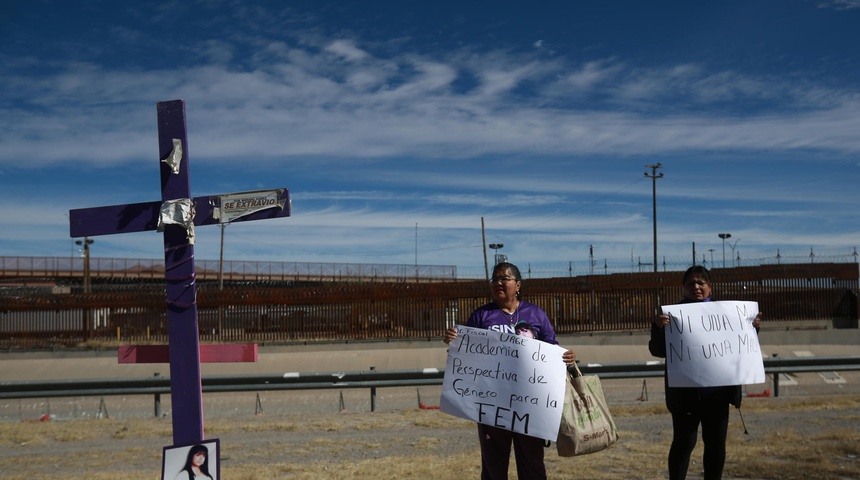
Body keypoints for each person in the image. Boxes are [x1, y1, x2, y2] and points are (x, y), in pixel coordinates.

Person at [444, 262, 576, 480]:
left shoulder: (535, 314)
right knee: (493, 466)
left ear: (517, 285)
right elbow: (467, 353)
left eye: (504, 278)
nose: (498, 283)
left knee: (532, 465)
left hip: (529, 407)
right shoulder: (481, 316)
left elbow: (551, 349)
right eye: (494, 279)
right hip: (492, 406)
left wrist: (565, 358)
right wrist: (454, 342)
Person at [648, 265, 762, 480]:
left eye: (701, 283)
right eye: (691, 283)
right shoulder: (671, 315)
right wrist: (658, 328)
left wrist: (752, 327)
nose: (696, 287)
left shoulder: (727, 314)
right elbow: (658, 351)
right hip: (686, 397)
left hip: (717, 396)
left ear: (710, 287)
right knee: (684, 443)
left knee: (716, 445)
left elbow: (740, 347)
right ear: (683, 288)